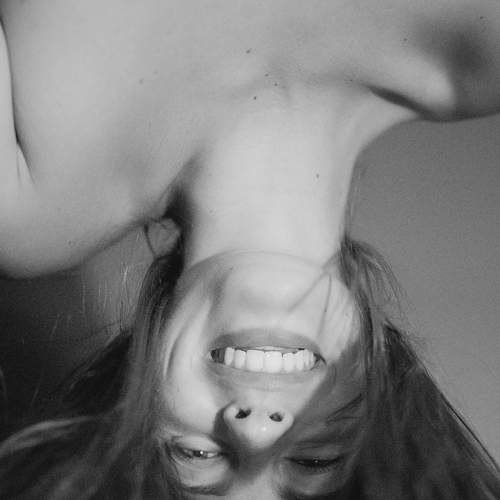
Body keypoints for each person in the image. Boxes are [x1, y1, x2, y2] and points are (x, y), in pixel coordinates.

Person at [0, 1, 499, 498]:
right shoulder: (482, 49)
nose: (256, 428)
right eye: (314, 460)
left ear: (133, 412)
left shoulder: (21, 207)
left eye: (197, 456)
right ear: (386, 411)